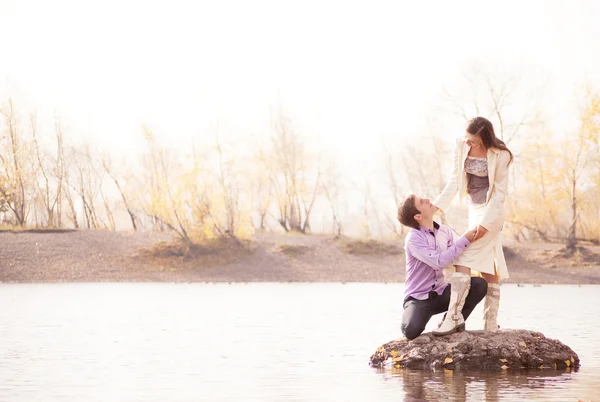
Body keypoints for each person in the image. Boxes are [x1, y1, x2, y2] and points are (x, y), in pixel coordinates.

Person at [433, 116, 513, 333]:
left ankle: (454, 316)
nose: (469, 143)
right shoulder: (461, 146)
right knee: (491, 260)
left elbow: (499, 194)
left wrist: (486, 224)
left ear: (486, 137)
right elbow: (454, 181)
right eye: (468, 139)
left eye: (474, 140)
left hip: (491, 213)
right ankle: (490, 323)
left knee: (462, 254)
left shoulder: (501, 154)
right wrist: (436, 207)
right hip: (473, 209)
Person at [397, 194, 488, 339]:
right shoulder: (413, 238)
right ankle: (412, 316)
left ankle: (451, 321)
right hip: (419, 298)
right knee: (411, 331)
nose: (427, 200)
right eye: (422, 202)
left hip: (442, 292)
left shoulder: (445, 231)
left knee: (479, 284)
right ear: (418, 217)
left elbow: (460, 252)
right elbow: (438, 261)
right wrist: (465, 239)